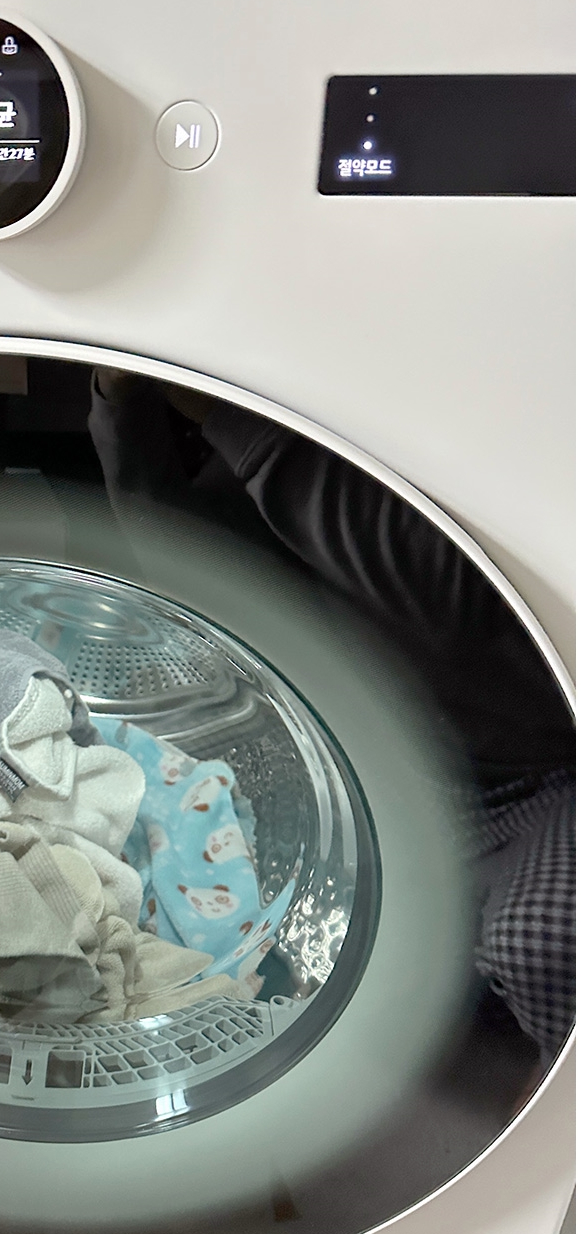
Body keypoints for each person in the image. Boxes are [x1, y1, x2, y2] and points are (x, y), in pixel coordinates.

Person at [88, 367, 575, 1063]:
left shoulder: (415, 477)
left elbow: (414, 574)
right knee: (238, 923)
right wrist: (123, 400)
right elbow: (185, 559)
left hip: (550, 771)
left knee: (537, 938)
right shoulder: (258, 472)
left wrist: (212, 407)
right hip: (406, 782)